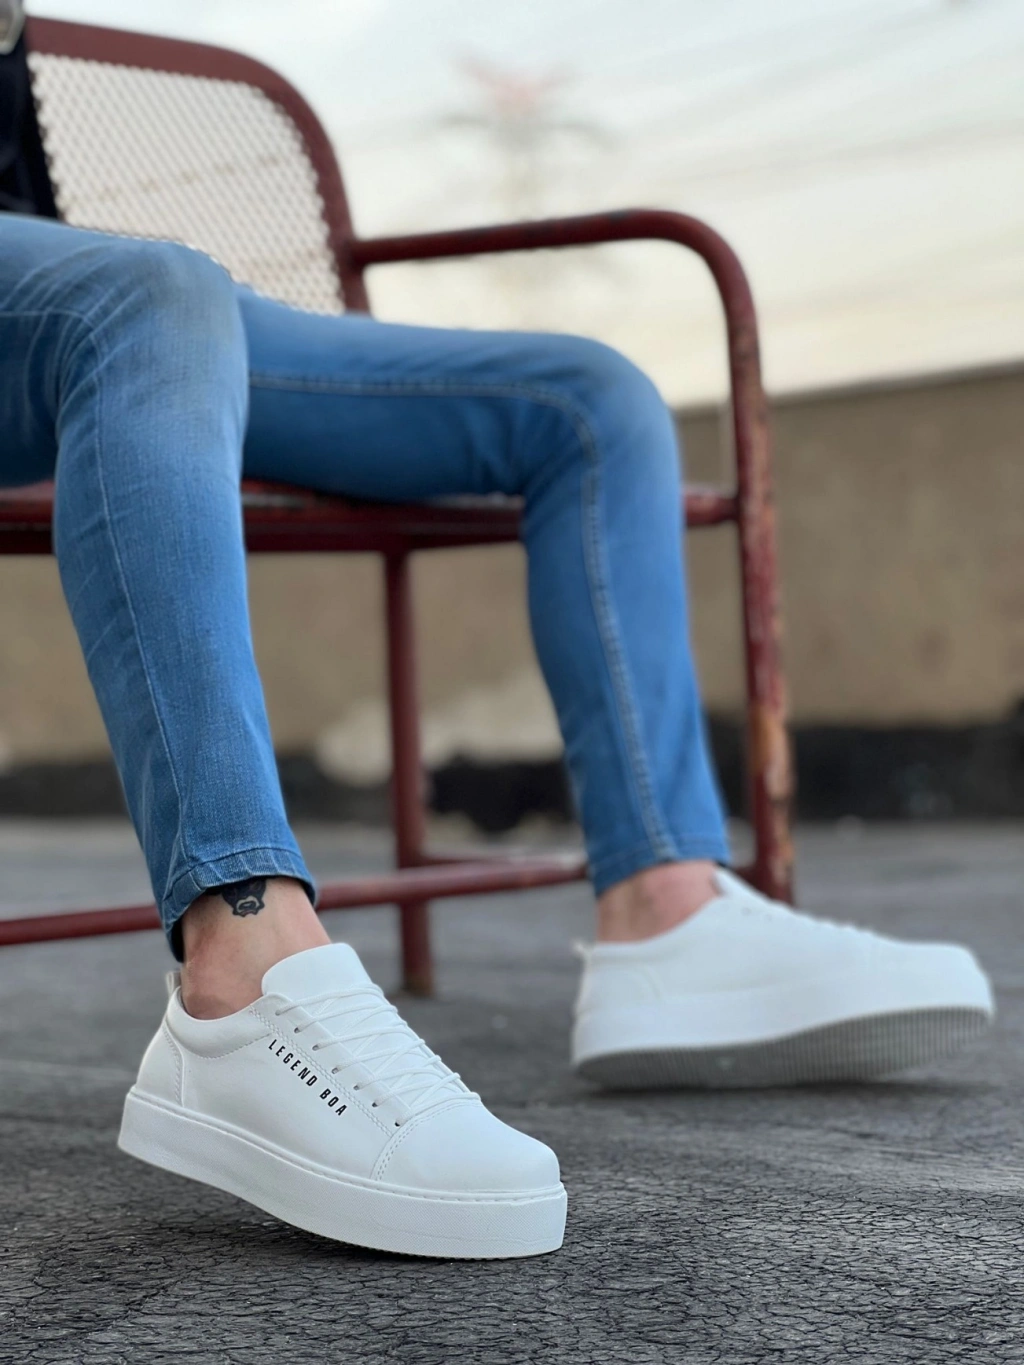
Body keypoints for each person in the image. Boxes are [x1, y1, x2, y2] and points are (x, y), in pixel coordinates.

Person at [0, 54, 993, 1256]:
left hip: (61, 290)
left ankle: (665, 913)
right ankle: (240, 960)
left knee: (590, 401)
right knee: (149, 294)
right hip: (105, 306)